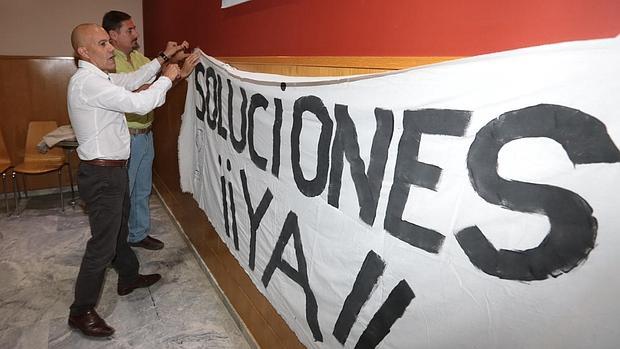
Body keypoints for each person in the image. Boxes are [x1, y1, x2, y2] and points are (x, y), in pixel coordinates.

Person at [66, 23, 187, 337]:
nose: (110, 49)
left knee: (117, 232)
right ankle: (80, 311)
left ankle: (129, 277)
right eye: (103, 44)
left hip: (112, 172)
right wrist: (168, 78)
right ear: (83, 51)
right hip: (102, 174)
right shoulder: (87, 83)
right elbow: (139, 103)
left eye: (109, 42)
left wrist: (160, 62)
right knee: (102, 246)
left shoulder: (99, 78)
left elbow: (133, 79)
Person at [102, 10, 198, 250]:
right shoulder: (111, 64)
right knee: (125, 193)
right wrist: (170, 74)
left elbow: (161, 78)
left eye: (135, 29)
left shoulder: (139, 58)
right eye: (130, 30)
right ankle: (118, 245)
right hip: (127, 138)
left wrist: (183, 61)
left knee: (142, 190)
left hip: (146, 135)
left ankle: (138, 234)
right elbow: (138, 92)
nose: (136, 34)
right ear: (113, 35)